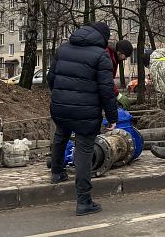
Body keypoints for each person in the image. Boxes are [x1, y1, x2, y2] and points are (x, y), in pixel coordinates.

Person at [48, 21, 118, 216]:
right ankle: (84, 201)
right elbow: (106, 91)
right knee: (84, 151)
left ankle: (57, 173)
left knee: (60, 136)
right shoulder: (101, 56)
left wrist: (60, 96)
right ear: (103, 38)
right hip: (86, 112)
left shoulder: (63, 49)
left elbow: (51, 78)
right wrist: (112, 116)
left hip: (61, 107)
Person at [107, 39, 133, 107]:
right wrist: (117, 95)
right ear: (119, 52)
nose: (125, 59)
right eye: (125, 56)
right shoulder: (107, 56)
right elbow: (106, 80)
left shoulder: (113, 57)